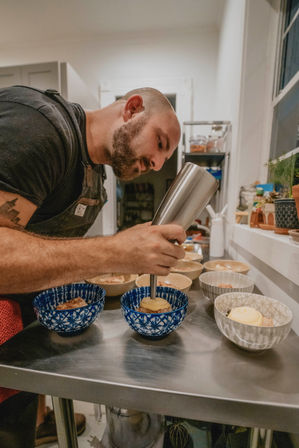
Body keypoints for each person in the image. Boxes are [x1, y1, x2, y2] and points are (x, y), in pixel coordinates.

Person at [0, 85, 186, 447]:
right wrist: (116, 251)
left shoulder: (94, 177)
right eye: (160, 143)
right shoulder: (39, 127)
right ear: (132, 109)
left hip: (18, 341)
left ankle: (41, 421)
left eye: (164, 159)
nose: (157, 164)